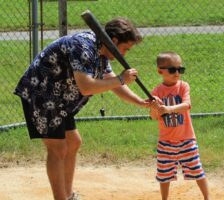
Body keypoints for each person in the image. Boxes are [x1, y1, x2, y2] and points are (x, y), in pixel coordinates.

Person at [14, 17, 151, 200]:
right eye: (125, 49)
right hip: (41, 93)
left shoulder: (102, 52)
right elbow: (86, 86)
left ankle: (68, 195)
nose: (124, 55)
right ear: (114, 41)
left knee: (73, 142)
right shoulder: (83, 46)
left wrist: (140, 102)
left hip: (60, 98)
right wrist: (120, 78)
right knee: (58, 148)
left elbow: (112, 83)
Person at [149, 51, 210, 200]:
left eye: (180, 69)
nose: (177, 73)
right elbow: (153, 117)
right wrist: (154, 106)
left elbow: (187, 105)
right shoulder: (156, 92)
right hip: (165, 141)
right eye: (172, 70)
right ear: (160, 71)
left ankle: (207, 198)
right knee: (164, 175)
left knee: (197, 170)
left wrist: (169, 109)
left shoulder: (183, 86)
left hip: (187, 139)